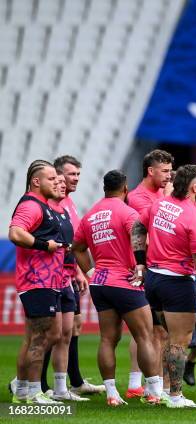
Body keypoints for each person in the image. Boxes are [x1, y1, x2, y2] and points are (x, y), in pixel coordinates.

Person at [72, 170, 163, 407]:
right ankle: (154, 392)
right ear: (125, 189)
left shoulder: (90, 214)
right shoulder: (127, 212)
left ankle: (112, 394)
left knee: (107, 339)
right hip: (125, 281)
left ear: (105, 189)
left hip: (100, 283)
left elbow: (77, 247)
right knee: (145, 335)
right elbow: (140, 241)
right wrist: (141, 266)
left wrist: (91, 271)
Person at [132, 165, 196, 408]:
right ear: (194, 187)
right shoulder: (193, 218)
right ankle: (175, 396)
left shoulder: (160, 204)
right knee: (180, 340)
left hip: (153, 279)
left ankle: (158, 389)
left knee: (161, 337)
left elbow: (138, 226)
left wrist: (140, 262)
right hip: (177, 282)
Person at [9, 160, 65, 404]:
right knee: (40, 337)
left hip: (46, 281)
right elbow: (15, 232)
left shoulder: (44, 205)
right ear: (36, 181)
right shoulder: (32, 205)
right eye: (52, 178)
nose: (57, 182)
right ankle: (33, 392)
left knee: (43, 335)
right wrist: (44, 245)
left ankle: (21, 389)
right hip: (36, 280)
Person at [53, 155, 105, 396]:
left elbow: (73, 244)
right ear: (57, 175)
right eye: (71, 174)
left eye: (77, 175)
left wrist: (79, 271)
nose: (75, 179)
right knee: (52, 331)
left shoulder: (70, 203)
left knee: (74, 326)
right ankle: (33, 384)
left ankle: (74, 381)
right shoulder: (53, 203)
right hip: (54, 277)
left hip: (69, 274)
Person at [126, 149, 174, 398]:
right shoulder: (137, 198)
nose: (168, 176)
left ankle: (146, 384)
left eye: (170, 171)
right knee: (148, 330)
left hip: (160, 268)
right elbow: (152, 227)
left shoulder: (158, 194)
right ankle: (141, 384)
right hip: (145, 269)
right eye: (164, 171)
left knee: (157, 331)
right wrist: (167, 196)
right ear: (150, 171)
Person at [42, 172, 89, 402]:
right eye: (59, 182)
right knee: (49, 335)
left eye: (64, 183)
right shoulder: (44, 211)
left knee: (66, 334)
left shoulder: (64, 212)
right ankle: (28, 383)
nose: (63, 186)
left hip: (67, 279)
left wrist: (77, 271)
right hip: (50, 280)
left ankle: (61, 388)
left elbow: (70, 249)